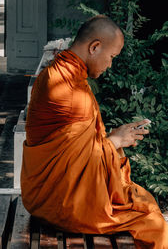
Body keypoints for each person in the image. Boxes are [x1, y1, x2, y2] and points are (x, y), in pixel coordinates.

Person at [21, 15, 168, 248]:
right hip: (58, 202)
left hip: (40, 195)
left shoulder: (59, 72)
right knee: (152, 220)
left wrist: (114, 138)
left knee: (144, 204)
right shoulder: (69, 90)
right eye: (111, 57)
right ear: (95, 47)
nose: (110, 65)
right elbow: (81, 159)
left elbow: (76, 149)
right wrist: (115, 141)